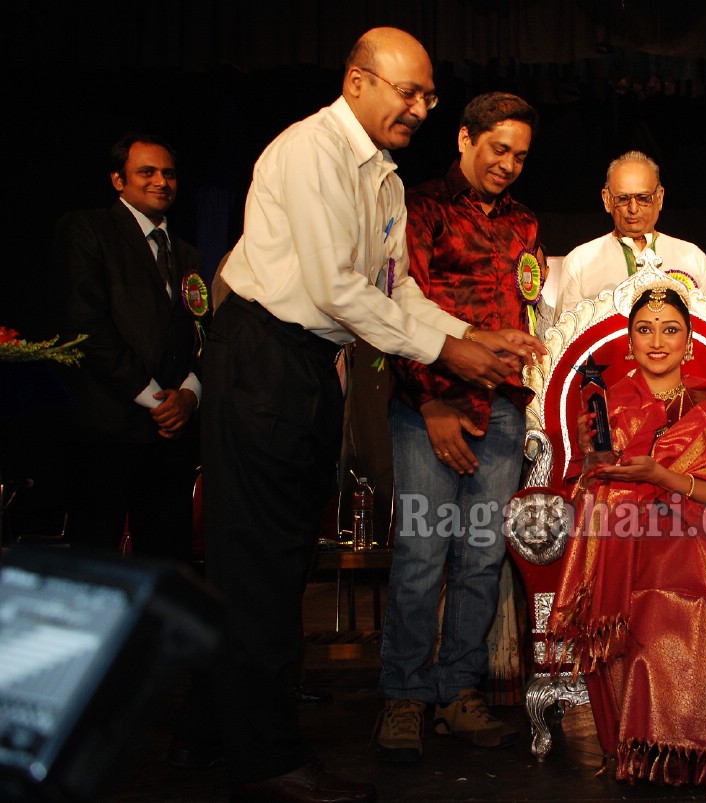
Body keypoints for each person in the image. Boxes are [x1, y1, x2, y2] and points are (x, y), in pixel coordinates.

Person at [202, 28, 542, 803]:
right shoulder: (310, 152)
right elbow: (337, 290)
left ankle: (227, 732)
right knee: (257, 566)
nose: (420, 108)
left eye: (427, 95)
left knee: (283, 564)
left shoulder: (381, 179)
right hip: (261, 356)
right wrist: (447, 357)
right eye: (408, 91)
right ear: (358, 81)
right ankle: (263, 759)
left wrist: (468, 336)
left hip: (309, 368)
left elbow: (396, 291)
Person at [547, 281, 706, 792]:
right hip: (622, 534)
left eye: (671, 330)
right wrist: (593, 460)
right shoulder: (603, 405)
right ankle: (651, 751)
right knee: (656, 607)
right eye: (644, 330)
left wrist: (664, 478)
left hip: (695, 534)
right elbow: (582, 485)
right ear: (629, 341)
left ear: (690, 342)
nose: (657, 340)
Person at [375, 92, 541, 763]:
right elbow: (390, 306)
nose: (508, 164)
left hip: (500, 409)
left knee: (480, 556)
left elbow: (524, 313)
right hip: (428, 409)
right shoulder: (419, 207)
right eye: (498, 148)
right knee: (420, 555)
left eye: (521, 155)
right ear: (466, 138)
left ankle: (457, 692)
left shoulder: (525, 223)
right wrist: (432, 403)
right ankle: (405, 695)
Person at [56, 133, 206, 565]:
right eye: (147, 172)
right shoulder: (87, 230)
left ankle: (157, 636)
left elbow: (202, 334)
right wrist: (155, 398)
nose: (161, 181)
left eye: (169, 173)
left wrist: (190, 394)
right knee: (95, 565)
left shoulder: (188, 253)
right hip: (108, 429)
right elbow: (84, 326)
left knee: (166, 566)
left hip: (171, 437)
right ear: (118, 180)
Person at [555, 151, 706, 318]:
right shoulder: (580, 262)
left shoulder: (693, 258)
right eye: (623, 198)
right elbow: (566, 338)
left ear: (659, 198)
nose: (633, 209)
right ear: (607, 199)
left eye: (643, 198)